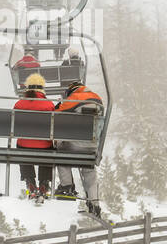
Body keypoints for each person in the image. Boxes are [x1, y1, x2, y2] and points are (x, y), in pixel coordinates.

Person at [52, 80, 104, 219]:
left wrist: (60, 103)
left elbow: (56, 113)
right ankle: (94, 202)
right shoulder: (97, 98)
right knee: (89, 171)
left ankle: (67, 185)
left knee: (60, 154)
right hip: (92, 145)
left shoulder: (75, 97)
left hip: (74, 144)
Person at [14, 74, 55, 203]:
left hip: (24, 145)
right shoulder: (49, 105)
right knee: (48, 149)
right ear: (42, 89)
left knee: (23, 148)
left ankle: (29, 181)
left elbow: (14, 125)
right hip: (44, 146)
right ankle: (44, 183)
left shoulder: (19, 104)